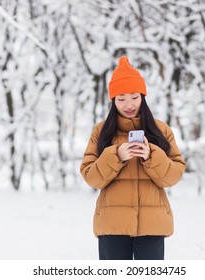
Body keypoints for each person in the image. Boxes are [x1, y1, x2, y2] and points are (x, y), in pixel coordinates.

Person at [80, 56, 186, 260]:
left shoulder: (160, 130)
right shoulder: (102, 132)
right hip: (112, 226)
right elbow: (91, 177)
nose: (128, 104)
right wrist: (115, 156)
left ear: (143, 96)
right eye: (121, 98)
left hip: (152, 225)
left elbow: (173, 176)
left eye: (134, 97)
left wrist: (151, 156)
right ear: (113, 100)